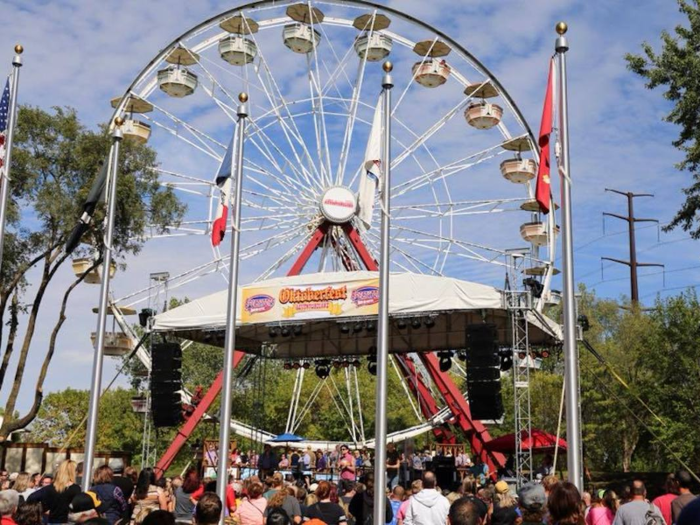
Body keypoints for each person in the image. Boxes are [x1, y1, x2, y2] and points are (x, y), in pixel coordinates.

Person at [28, 459, 82, 524]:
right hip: (68, 522)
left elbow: (31, 498)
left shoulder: (50, 488)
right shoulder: (76, 489)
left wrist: (43, 509)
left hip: (52, 521)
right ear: (73, 472)